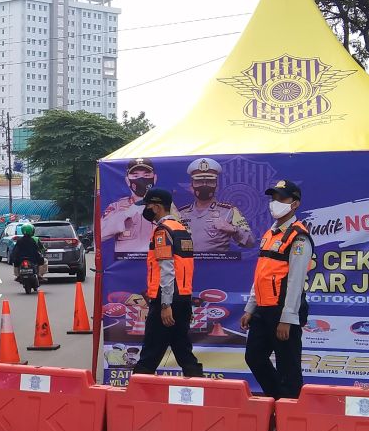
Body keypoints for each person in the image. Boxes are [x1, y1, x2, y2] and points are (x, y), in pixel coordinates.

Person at [239, 179, 313, 400]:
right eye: (273, 198)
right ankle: (278, 400)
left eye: (282, 198)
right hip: (263, 309)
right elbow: (261, 274)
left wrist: (288, 318)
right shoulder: (270, 234)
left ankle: (292, 416)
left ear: (295, 204)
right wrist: (250, 307)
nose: (275, 202)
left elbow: (296, 280)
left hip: (283, 309)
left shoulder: (298, 236)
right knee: (254, 357)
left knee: (288, 368)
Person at [131, 188, 204, 378]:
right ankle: (201, 387)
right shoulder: (181, 229)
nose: (145, 210)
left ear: (156, 206)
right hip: (182, 299)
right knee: (182, 350)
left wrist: (165, 305)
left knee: (150, 353)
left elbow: (167, 270)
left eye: (147, 205)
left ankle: (134, 397)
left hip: (167, 300)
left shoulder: (162, 232)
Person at [177, 158, 255, 253]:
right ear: (191, 187)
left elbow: (250, 242)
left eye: (210, 182)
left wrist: (234, 230)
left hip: (217, 266)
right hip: (187, 266)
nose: (204, 185)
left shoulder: (230, 212)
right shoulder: (181, 213)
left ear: (217, 187)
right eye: (199, 182)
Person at [102, 158, 175, 253]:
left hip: (158, 261)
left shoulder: (166, 206)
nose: (141, 179)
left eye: (146, 175)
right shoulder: (116, 207)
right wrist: (125, 214)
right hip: (127, 264)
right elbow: (100, 233)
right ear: (127, 180)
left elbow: (183, 232)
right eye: (135, 175)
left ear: (155, 178)